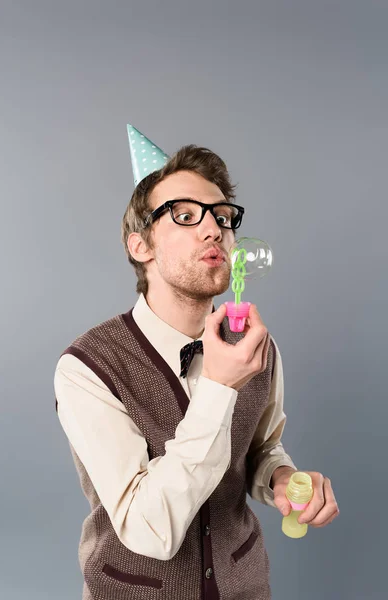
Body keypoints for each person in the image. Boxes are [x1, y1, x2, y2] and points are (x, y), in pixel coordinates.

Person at [54, 125, 339, 600]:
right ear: (139, 245)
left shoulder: (256, 348)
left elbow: (261, 448)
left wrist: (281, 479)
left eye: (223, 218)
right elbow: (149, 529)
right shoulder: (87, 367)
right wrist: (220, 388)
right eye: (184, 216)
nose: (214, 229)